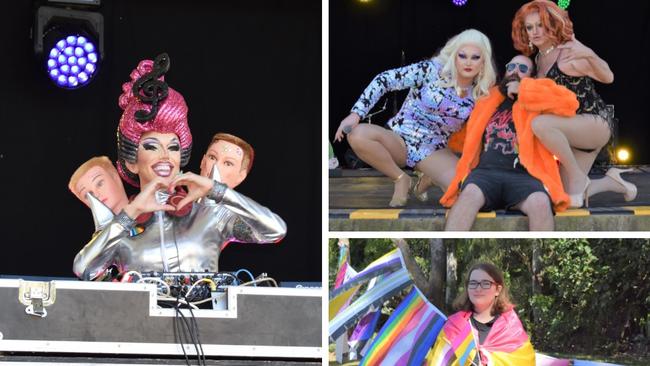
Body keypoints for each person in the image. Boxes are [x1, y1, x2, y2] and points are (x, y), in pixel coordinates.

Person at [73, 54, 287, 281]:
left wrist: (216, 190)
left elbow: (275, 230)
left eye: (173, 147)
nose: (166, 156)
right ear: (131, 162)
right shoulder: (121, 225)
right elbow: (84, 269)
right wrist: (131, 212)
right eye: (152, 147)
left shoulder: (210, 215)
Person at [334, 29, 496, 207]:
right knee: (357, 134)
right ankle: (401, 179)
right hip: (400, 139)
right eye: (463, 55)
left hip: (434, 149)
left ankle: (426, 180)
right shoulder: (431, 70)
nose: (468, 62)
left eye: (475, 57)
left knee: (466, 193)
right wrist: (356, 113)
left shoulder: (482, 92)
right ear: (453, 56)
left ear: (483, 62)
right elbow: (384, 80)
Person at [512, 0, 636, 207]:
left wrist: (586, 51)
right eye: (529, 27)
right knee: (568, 199)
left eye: (540, 25)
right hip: (571, 132)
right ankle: (613, 182)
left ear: (551, 25)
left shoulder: (567, 54)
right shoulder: (540, 59)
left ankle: (577, 176)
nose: (535, 31)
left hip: (593, 124)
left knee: (540, 124)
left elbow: (608, 76)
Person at [442, 55, 578, 231]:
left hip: (525, 177)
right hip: (485, 173)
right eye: (511, 66)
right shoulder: (487, 97)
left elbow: (569, 104)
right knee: (468, 196)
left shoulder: (539, 97)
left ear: (532, 77)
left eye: (523, 69)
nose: (515, 71)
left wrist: (524, 91)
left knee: (540, 203)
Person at [427, 263, 535, 365]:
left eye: (485, 283)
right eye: (473, 283)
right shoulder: (454, 325)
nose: (478, 288)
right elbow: (438, 360)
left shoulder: (510, 327)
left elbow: (525, 361)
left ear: (498, 289)